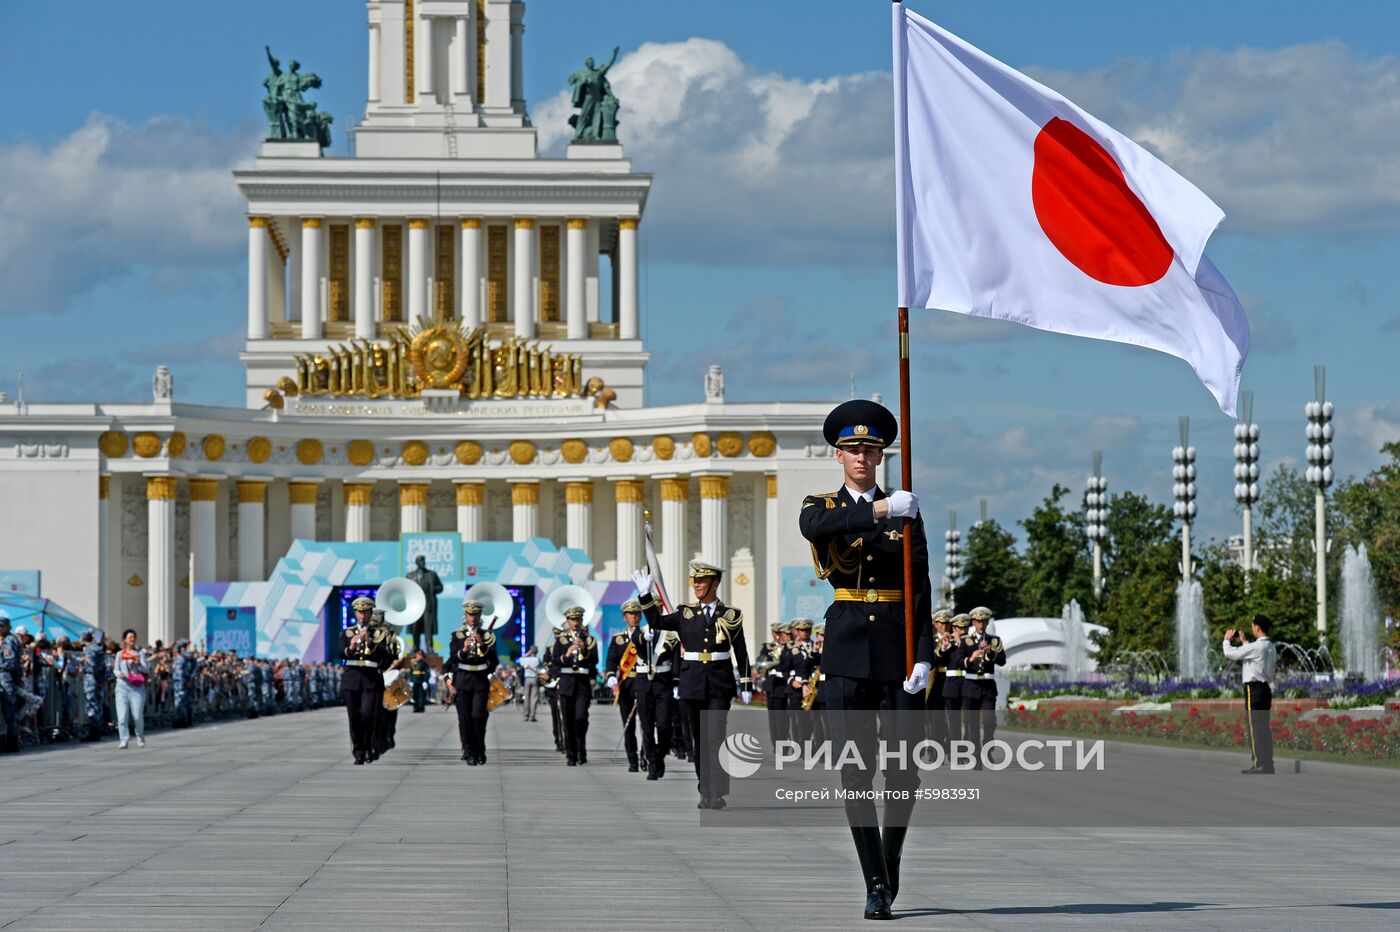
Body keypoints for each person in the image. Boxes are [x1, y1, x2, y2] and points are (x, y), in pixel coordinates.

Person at [799, 398, 935, 920]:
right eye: (853, 449)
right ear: (838, 455)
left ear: (881, 455)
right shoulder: (825, 505)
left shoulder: (909, 512)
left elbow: (920, 589)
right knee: (856, 773)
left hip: (897, 652)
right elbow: (818, 529)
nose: (862, 457)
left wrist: (923, 655)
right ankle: (876, 885)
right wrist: (882, 510)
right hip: (848, 650)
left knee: (903, 774)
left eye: (871, 449)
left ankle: (889, 861)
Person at [633, 560, 753, 811]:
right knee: (699, 741)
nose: (696, 584)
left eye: (702, 580)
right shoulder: (685, 613)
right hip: (692, 684)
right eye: (694, 581)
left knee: (716, 739)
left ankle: (716, 792)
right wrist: (645, 595)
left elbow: (740, 652)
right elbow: (656, 621)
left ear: (715, 583)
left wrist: (746, 683)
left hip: (719, 685)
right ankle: (705, 789)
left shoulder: (730, 615)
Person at [1225, 615, 1277, 775]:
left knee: (1254, 727)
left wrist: (1226, 639)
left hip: (1253, 690)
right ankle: (1268, 763)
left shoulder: (1256, 647)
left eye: (1253, 626)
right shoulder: (1270, 646)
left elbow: (1230, 654)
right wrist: (1244, 642)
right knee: (1263, 727)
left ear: (1257, 628)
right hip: (1265, 689)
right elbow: (1254, 656)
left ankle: (1258, 763)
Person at [341, 596, 390, 765]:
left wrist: (372, 644)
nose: (363, 615)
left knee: (368, 715)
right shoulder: (347, 632)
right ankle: (359, 751)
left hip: (371, 679)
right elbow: (340, 653)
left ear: (370, 613)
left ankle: (369, 746)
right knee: (354, 717)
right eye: (360, 612)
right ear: (355, 613)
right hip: (352, 679)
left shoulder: (379, 634)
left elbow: (386, 656)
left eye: (366, 612)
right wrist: (351, 647)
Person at [449, 601, 498, 765]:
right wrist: (463, 649)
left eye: (476, 614)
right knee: (465, 719)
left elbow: (494, 661)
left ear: (480, 616)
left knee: (478, 716)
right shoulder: (457, 635)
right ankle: (469, 752)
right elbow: (453, 659)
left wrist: (482, 646)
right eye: (470, 614)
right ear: (466, 616)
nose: (473, 617)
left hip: (480, 681)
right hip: (463, 680)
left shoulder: (487, 636)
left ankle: (479, 749)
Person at [552, 606, 599, 766]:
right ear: (568, 621)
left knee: (581, 718)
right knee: (568, 721)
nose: (576, 622)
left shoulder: (589, 640)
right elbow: (555, 661)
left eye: (578, 619)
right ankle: (571, 754)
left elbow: (595, 661)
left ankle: (581, 750)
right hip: (566, 683)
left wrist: (584, 649)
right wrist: (566, 655)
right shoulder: (561, 640)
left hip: (582, 684)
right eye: (573, 619)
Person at [605, 600, 648, 772]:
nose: (634, 617)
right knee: (628, 724)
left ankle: (646, 755)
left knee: (646, 723)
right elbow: (611, 661)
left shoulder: (647, 635)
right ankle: (632, 759)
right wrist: (610, 676)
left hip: (645, 682)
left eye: (637, 614)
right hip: (627, 684)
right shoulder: (618, 639)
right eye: (631, 614)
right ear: (625, 617)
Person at [960, 606, 1006, 768]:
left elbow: (1002, 660)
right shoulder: (966, 640)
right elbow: (959, 662)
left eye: (984, 621)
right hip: (971, 684)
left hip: (987, 685)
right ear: (973, 622)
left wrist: (991, 652)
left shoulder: (994, 640)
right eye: (978, 621)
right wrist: (970, 659)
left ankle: (987, 746)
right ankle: (976, 755)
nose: (981, 624)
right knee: (972, 723)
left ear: (987, 622)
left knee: (989, 720)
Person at [636, 614, 680, 780]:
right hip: (643, 684)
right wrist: (642, 638)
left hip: (663, 683)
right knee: (646, 726)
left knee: (664, 725)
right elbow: (636, 642)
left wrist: (676, 683)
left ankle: (660, 755)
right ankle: (652, 762)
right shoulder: (639, 632)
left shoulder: (670, 636)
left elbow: (676, 662)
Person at [112, 628, 149, 749]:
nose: (132, 640)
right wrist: (119, 674)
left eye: (133, 637)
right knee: (122, 716)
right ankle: (124, 739)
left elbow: (146, 669)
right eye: (129, 637)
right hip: (122, 686)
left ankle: (140, 735)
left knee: (137, 716)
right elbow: (115, 669)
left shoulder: (140, 653)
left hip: (136, 688)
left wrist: (138, 662)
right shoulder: (120, 654)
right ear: (125, 640)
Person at [406, 554, 443, 651]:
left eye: (424, 561)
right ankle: (415, 646)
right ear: (417, 563)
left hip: (428, 605)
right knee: (415, 627)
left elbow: (440, 587)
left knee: (428, 627)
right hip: (415, 606)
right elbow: (405, 589)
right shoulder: (410, 575)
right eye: (421, 561)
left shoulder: (431, 574)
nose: (423, 563)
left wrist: (433, 589)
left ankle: (429, 647)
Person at [81, 630, 106, 742]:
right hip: (98, 678)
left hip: (91, 678)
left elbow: (92, 665)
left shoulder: (90, 649)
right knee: (97, 705)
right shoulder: (99, 649)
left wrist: (84, 666)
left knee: (91, 704)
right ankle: (96, 731)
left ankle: (94, 732)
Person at [0, 615, 21, 753]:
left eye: (2, 626)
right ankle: (10, 741)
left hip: (5, 675)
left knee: (9, 710)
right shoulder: (7, 640)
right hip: (6, 675)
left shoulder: (9, 640)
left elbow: (11, 662)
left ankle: (12, 742)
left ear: (8, 627)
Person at [519, 645, 542, 722]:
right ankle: (532, 716)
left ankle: (526, 715)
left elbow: (520, 660)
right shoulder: (537, 659)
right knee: (534, 698)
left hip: (527, 679)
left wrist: (527, 654)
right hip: (535, 678)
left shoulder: (526, 660)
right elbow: (541, 668)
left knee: (527, 698)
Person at [408, 649, 431, 713]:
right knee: (415, 695)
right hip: (414, 681)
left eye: (421, 655)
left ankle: (421, 708)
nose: (420, 656)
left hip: (421, 680)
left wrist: (425, 681)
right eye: (418, 654)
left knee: (422, 695)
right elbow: (410, 672)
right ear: (416, 655)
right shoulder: (412, 662)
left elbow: (427, 673)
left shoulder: (424, 663)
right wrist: (410, 681)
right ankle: (415, 708)